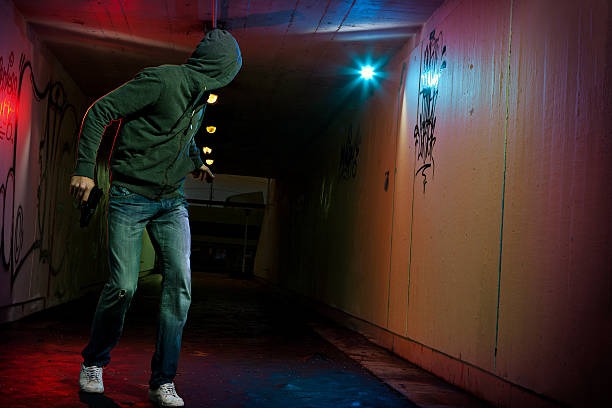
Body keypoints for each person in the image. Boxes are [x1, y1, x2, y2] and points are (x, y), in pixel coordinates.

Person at [69, 29, 242, 407]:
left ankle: (163, 380)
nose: (225, 83)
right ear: (217, 68)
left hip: (171, 202)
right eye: (228, 74)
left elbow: (184, 134)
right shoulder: (161, 81)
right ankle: (93, 362)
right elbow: (99, 112)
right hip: (129, 196)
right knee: (123, 286)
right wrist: (84, 169)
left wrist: (197, 161)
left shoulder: (200, 98)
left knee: (180, 286)